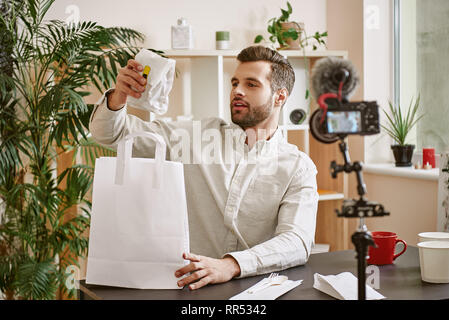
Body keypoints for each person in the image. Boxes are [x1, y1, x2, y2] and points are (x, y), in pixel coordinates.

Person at [89, 45, 319, 290]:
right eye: (234, 83)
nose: (237, 91)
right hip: (187, 286)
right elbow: (112, 135)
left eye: (251, 84)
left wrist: (231, 265)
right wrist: (119, 97)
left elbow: (297, 240)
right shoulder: (194, 137)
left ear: (280, 97)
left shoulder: (298, 167)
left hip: (256, 290)